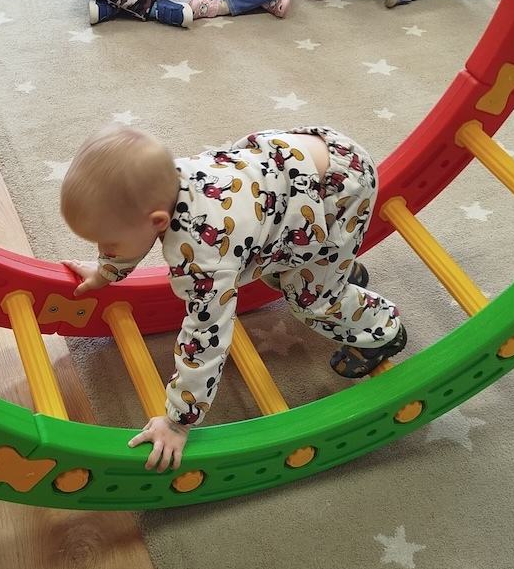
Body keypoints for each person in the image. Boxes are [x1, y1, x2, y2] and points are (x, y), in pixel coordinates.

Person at [61, 125, 406, 472]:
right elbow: (138, 230)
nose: (104, 249)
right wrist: (108, 268)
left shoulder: (204, 260)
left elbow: (206, 338)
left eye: (108, 244)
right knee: (277, 261)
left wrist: (179, 421)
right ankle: (335, 267)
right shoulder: (167, 181)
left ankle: (383, 328)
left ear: (158, 221)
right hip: (302, 157)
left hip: (341, 190)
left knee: (311, 301)